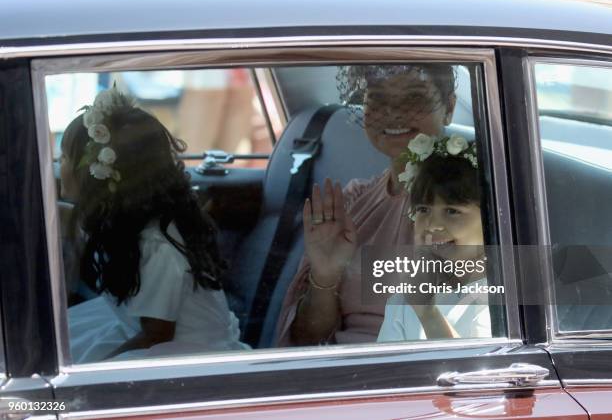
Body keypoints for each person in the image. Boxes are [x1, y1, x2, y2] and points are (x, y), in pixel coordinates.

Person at [61, 86, 248, 363]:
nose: (58, 166)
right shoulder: (121, 222)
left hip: (182, 353)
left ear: (96, 176)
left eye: (64, 158)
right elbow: (65, 219)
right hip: (140, 331)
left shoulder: (156, 245)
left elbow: (157, 336)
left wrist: (96, 369)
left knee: (70, 363)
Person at [276, 64, 458, 346]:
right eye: (378, 98)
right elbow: (305, 342)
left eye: (413, 98)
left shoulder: (470, 208)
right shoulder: (352, 201)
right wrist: (325, 276)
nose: (394, 113)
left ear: (449, 107)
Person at [377, 133, 491, 341]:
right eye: (423, 210)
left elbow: (479, 371)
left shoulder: (506, 303)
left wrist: (428, 314)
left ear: (490, 217)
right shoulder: (405, 300)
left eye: (452, 211)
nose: (433, 225)